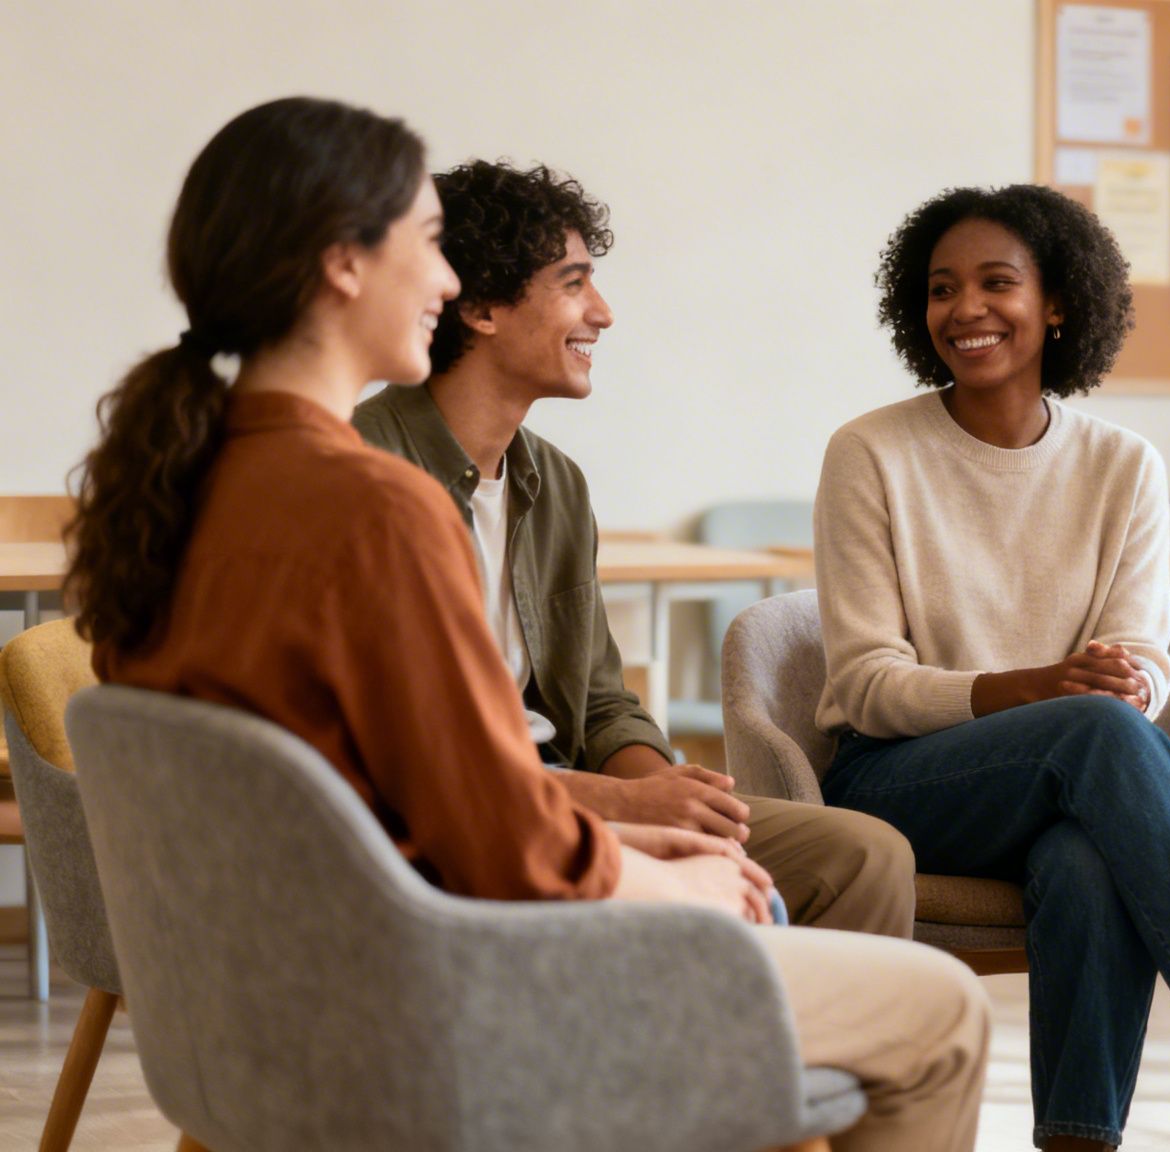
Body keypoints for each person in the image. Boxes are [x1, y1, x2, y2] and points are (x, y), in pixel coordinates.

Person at [67, 96, 986, 1152]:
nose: (449, 281)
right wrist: (671, 878)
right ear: (342, 264)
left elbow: (387, 802)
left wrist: (637, 838)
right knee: (939, 1013)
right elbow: (500, 845)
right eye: (425, 244)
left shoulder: (173, 484)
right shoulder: (375, 505)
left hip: (267, 1007)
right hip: (445, 1002)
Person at [355, 159, 914, 936]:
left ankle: (790, 1057)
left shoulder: (556, 484)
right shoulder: (363, 474)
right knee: (735, 887)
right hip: (464, 814)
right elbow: (399, 753)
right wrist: (623, 804)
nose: (605, 313)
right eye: (575, 284)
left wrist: (674, 793)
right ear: (480, 307)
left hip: (571, 786)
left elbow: (600, 701)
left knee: (866, 856)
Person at [812, 184, 1170, 1151]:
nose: (964, 308)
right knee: (1097, 734)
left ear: (1058, 304)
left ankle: (1077, 1144)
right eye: (941, 289)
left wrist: (1124, 682)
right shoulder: (870, 453)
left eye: (996, 282)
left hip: (1075, 788)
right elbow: (864, 685)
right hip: (901, 780)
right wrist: (1040, 689)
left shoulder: (1124, 464)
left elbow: (1142, 655)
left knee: (1088, 858)